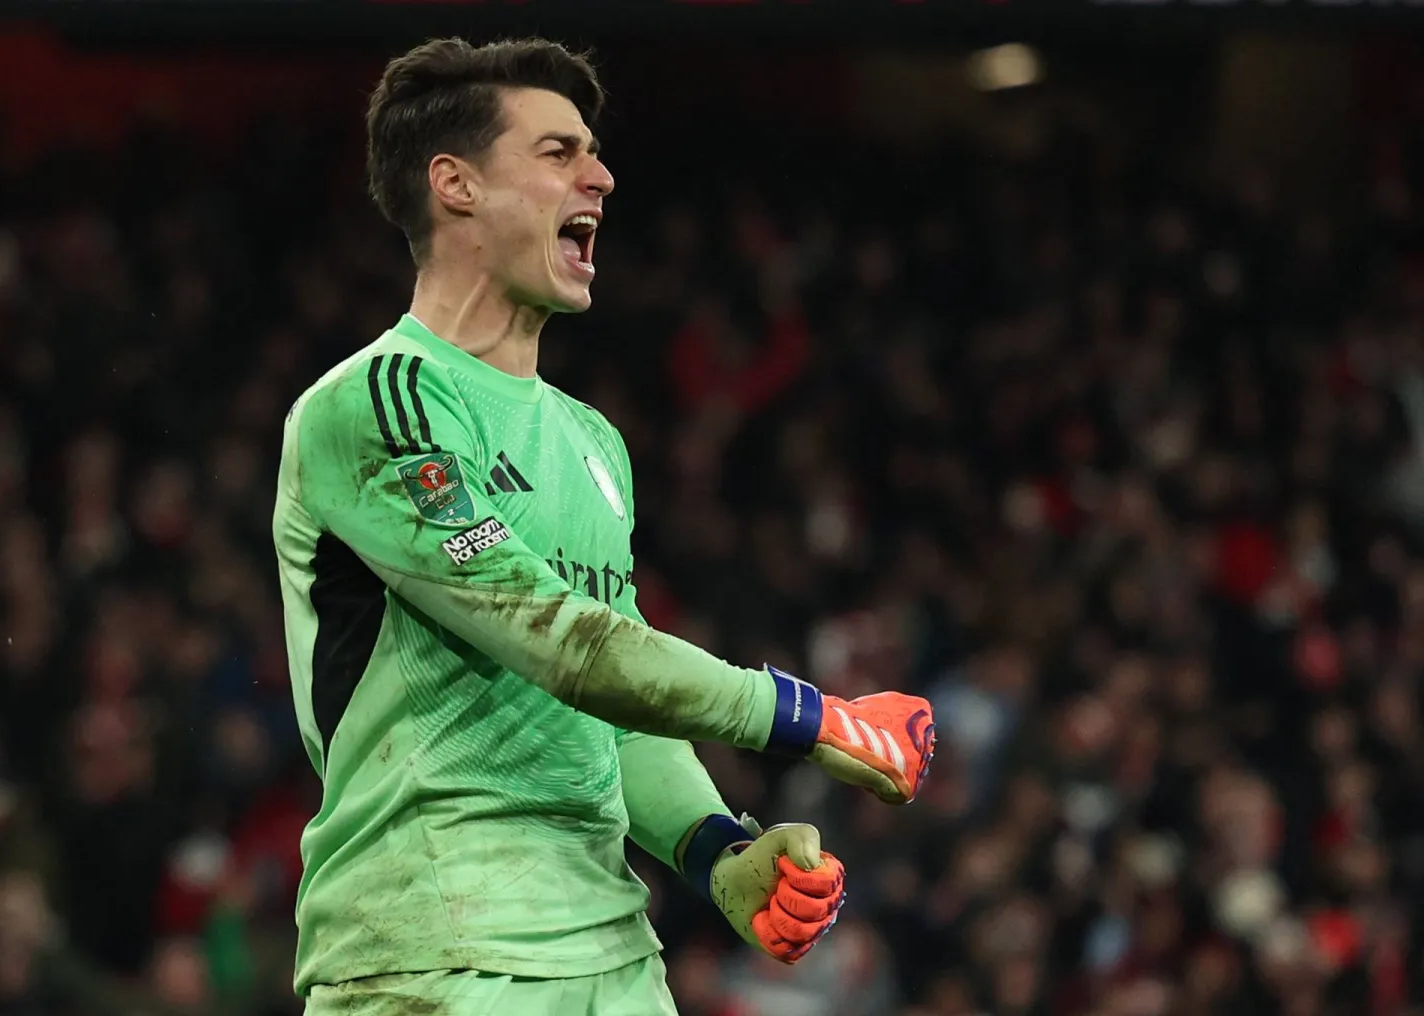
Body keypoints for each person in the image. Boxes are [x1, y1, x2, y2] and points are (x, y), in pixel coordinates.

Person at [271, 36, 938, 1015]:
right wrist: (814, 718)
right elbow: (558, 640)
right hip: (436, 954)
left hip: (616, 959)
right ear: (455, 184)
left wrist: (721, 851)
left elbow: (613, 704)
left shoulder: (593, 443)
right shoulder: (380, 404)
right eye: (557, 152)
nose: (601, 175)